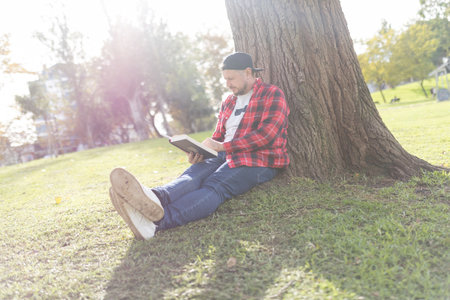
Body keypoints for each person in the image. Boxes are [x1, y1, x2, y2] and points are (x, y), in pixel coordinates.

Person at [109, 52, 290, 240]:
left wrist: (222, 147)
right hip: (223, 154)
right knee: (191, 176)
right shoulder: (229, 101)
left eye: (231, 78)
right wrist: (200, 152)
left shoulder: (272, 94)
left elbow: (267, 136)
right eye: (225, 79)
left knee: (215, 186)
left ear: (247, 72)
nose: (227, 84)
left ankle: (158, 223)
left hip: (257, 159)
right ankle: (154, 198)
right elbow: (218, 136)